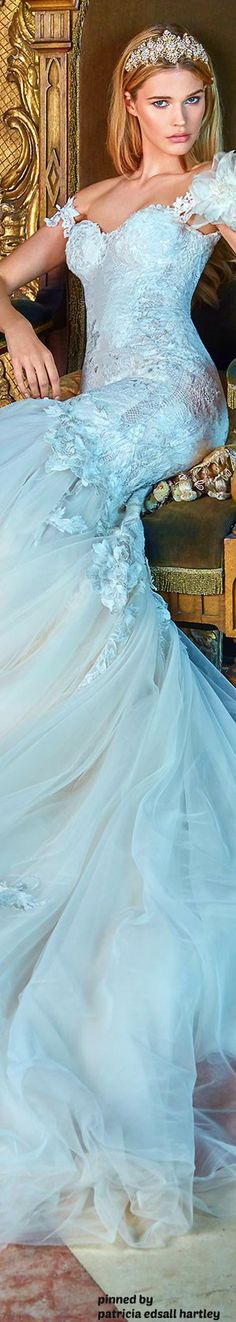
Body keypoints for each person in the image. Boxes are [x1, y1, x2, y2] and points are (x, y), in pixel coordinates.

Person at [0, 20, 236, 1252]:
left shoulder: (214, 189)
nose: (182, 119)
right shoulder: (88, 197)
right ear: (126, 106)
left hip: (168, 398)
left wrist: (226, 424)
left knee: (53, 469)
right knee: (29, 462)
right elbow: (4, 276)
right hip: (95, 394)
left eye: (195, 98)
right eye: (163, 100)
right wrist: (22, 326)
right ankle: (37, 725)